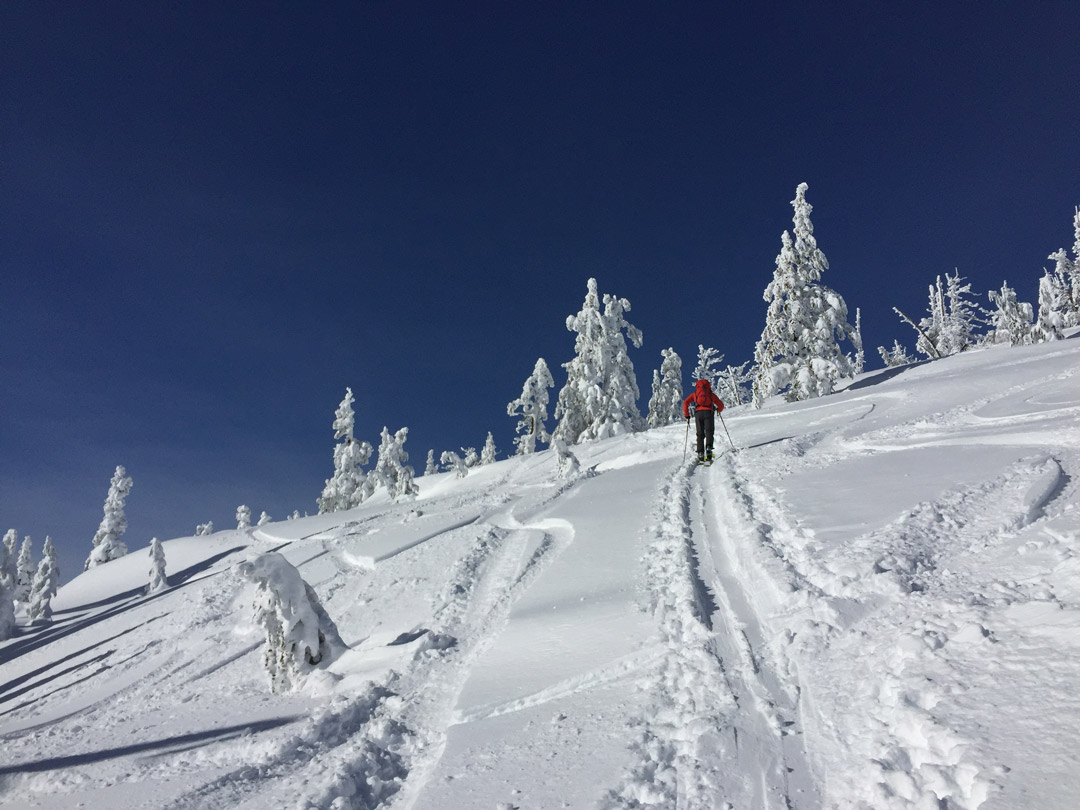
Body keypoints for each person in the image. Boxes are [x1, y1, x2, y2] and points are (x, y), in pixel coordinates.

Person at [683, 379, 725, 462]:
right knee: (709, 431)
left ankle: (700, 453)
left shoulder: (695, 394)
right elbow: (721, 405)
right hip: (708, 412)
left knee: (700, 433)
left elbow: (685, 403)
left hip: (698, 413)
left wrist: (687, 415)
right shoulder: (710, 394)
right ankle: (709, 448)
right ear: (708, 386)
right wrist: (718, 410)